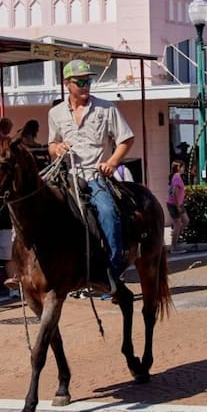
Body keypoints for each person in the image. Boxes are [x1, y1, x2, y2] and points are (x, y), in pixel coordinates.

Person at [48, 58, 134, 288]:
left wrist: (113, 161)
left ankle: (112, 273)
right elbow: (52, 144)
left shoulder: (107, 108)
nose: (86, 86)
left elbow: (126, 138)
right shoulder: (55, 113)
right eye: (80, 82)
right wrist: (57, 149)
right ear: (67, 83)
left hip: (95, 176)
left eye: (88, 81)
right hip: (66, 176)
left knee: (107, 213)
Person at [166, 159, 190, 252]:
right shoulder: (176, 177)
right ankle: (173, 247)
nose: (184, 168)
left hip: (178, 203)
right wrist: (178, 206)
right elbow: (175, 192)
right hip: (174, 204)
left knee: (185, 221)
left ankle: (175, 238)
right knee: (178, 225)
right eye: (183, 167)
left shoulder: (177, 177)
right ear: (178, 168)